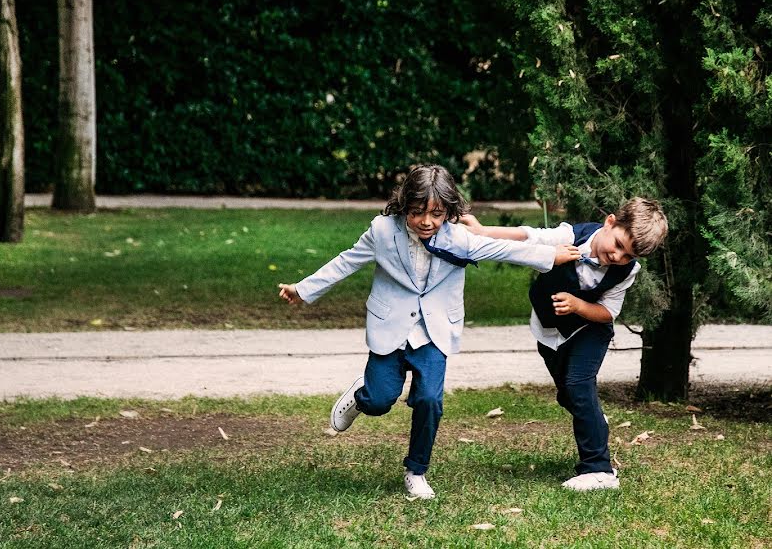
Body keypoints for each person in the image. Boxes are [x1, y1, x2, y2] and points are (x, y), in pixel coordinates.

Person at [277, 164, 581, 499]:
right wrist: (302, 289)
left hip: (434, 331)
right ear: (404, 205)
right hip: (390, 327)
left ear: (449, 212)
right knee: (379, 400)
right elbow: (346, 261)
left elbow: (502, 250)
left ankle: (416, 471)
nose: (426, 221)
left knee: (429, 400)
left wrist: (549, 255)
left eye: (436, 214)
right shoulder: (382, 231)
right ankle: (363, 395)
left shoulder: (458, 238)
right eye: (418, 212)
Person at [456, 197, 668, 491]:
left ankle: (599, 471)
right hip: (549, 331)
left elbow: (608, 313)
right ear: (610, 222)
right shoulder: (572, 236)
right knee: (569, 395)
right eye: (618, 245)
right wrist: (482, 230)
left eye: (628, 255)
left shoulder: (626, 272)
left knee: (579, 384)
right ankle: (593, 418)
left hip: (590, 328)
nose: (618, 257)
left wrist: (579, 305)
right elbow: (528, 235)